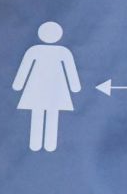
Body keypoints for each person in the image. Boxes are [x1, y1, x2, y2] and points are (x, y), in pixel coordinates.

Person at [12, 21, 81, 152]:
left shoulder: (36, 50)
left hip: (38, 87)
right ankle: (47, 144)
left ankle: (38, 144)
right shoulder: (62, 51)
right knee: (51, 114)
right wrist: (74, 86)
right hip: (53, 88)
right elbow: (70, 71)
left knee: (41, 113)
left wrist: (18, 85)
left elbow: (24, 69)